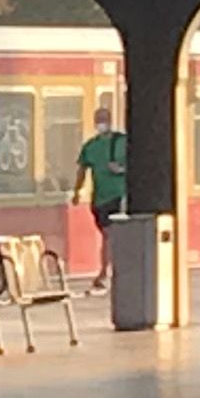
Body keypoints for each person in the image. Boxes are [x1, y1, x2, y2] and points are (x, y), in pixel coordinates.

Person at [71, 113, 130, 287]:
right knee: (107, 235)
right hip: (99, 199)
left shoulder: (123, 141)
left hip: (119, 195)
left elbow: (139, 163)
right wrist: (77, 191)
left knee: (111, 235)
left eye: (103, 119)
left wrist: (121, 169)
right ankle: (107, 270)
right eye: (98, 120)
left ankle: (107, 271)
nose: (101, 123)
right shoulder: (91, 146)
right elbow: (82, 169)